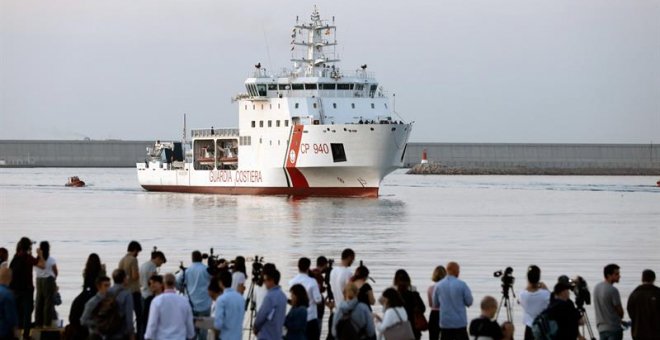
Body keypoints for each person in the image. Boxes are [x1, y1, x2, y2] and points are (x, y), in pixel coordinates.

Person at [10, 236, 45, 339]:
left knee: (15, 313)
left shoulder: (16, 256)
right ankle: (26, 336)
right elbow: (42, 265)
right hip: (27, 290)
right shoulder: (28, 257)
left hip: (15, 290)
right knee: (27, 314)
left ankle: (14, 335)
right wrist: (40, 255)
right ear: (28, 246)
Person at [145, 273, 195, 340]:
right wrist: (190, 335)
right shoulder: (184, 301)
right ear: (174, 284)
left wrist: (148, 336)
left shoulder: (157, 301)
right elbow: (189, 322)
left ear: (163, 284)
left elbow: (152, 323)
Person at [177, 250, 213, 340]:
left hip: (190, 304)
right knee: (203, 330)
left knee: (190, 330)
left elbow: (177, 281)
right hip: (205, 304)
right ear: (201, 258)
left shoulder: (187, 271)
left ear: (192, 259)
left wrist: (181, 289)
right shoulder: (207, 270)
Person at [432, 261, 473, 340]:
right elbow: (469, 302)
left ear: (447, 270)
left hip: (445, 324)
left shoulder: (438, 285)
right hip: (460, 324)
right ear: (456, 271)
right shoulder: (462, 284)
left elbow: (435, 303)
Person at [289, 257, 322, 340]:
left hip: (297, 319)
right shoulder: (312, 281)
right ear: (308, 267)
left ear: (298, 266)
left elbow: (291, 301)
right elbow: (318, 300)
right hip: (311, 318)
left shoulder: (292, 281)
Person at [254, 267, 287, 340]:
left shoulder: (269, 297)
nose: (264, 282)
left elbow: (261, 316)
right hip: (278, 335)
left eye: (266, 280)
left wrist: (255, 327)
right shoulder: (283, 296)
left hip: (267, 335)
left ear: (272, 280)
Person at [626, 269, 660, 340]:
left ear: (642, 279)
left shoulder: (634, 294)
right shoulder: (658, 293)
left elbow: (630, 312)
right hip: (656, 332)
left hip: (638, 332)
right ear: (654, 279)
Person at [518, 265, 550, 340]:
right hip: (543, 327)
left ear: (528, 278)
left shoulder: (523, 294)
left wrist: (529, 285)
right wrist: (546, 289)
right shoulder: (545, 294)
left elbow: (520, 300)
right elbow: (553, 301)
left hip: (529, 328)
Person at [118, 240, 142, 338]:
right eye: (138, 252)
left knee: (126, 316)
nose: (138, 254)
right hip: (134, 291)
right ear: (135, 250)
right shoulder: (133, 259)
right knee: (139, 316)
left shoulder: (122, 260)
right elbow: (135, 276)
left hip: (124, 291)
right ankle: (139, 336)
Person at [593, 263, 624, 340]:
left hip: (601, 328)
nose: (619, 276)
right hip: (614, 328)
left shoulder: (596, 288)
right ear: (609, 275)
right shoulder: (613, 290)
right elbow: (620, 312)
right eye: (616, 274)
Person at [394, 269, 426, 340]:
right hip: (413, 328)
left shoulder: (393, 296)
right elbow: (423, 308)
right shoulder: (414, 294)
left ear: (395, 281)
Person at [214, 270, 245, 340]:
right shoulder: (241, 298)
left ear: (220, 282)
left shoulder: (221, 299)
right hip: (238, 337)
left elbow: (218, 324)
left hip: (225, 336)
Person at [34, 240, 58, 328]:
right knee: (48, 302)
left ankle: (38, 323)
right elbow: (55, 271)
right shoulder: (51, 259)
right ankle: (46, 323)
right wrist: (55, 278)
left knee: (39, 301)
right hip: (48, 280)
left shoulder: (36, 260)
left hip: (38, 280)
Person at [428, 265, 447, 340]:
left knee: (433, 337)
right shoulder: (447, 288)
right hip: (445, 314)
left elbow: (430, 305)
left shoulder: (430, 288)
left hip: (434, 315)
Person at [310, 256, 329, 331]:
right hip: (317, 310)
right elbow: (317, 291)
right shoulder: (318, 276)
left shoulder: (311, 273)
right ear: (324, 265)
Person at [142, 275, 164, 339]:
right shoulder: (148, 300)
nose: (151, 285)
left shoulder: (168, 299)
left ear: (161, 284)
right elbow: (145, 318)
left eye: (154, 282)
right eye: (150, 284)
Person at [0, 267, 19, 339]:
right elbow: (11, 317)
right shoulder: (8, 294)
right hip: (4, 332)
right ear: (10, 278)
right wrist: (15, 332)